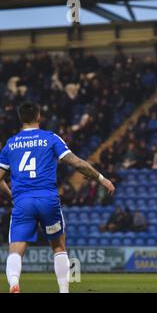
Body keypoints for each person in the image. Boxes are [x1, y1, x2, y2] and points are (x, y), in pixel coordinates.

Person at [0, 102, 115, 293]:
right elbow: (76, 163)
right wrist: (101, 179)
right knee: (59, 247)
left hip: (23, 202)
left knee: (16, 249)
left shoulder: (10, 145)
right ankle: (63, 291)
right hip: (48, 200)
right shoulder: (50, 138)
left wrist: (12, 195)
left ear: (21, 119)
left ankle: (14, 283)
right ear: (38, 116)